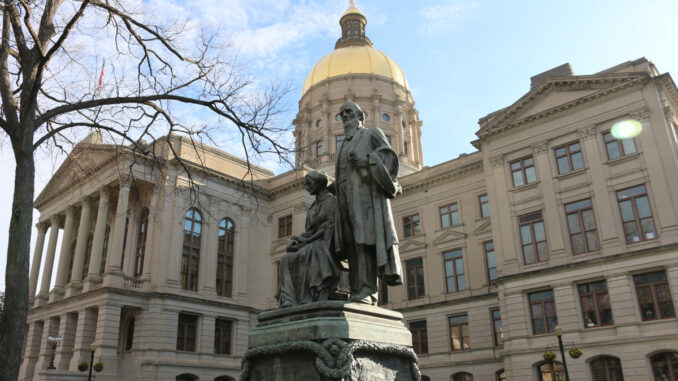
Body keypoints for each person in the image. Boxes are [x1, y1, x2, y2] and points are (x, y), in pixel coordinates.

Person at [334, 101, 403, 304]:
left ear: (360, 116)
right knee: (353, 244)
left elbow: (389, 160)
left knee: (365, 241)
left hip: (366, 198)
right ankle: (356, 288)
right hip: (345, 196)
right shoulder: (342, 146)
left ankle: (368, 290)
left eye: (349, 112)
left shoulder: (371, 133)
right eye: (342, 113)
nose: (345, 116)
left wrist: (367, 161)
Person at [277, 170, 341, 307]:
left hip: (328, 241)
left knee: (311, 251)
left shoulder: (332, 201)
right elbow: (309, 231)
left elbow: (329, 226)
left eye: (309, 184)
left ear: (320, 183)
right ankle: (289, 299)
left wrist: (307, 241)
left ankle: (314, 294)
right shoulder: (312, 207)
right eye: (306, 184)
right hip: (313, 240)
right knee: (286, 258)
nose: (307, 187)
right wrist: (296, 240)